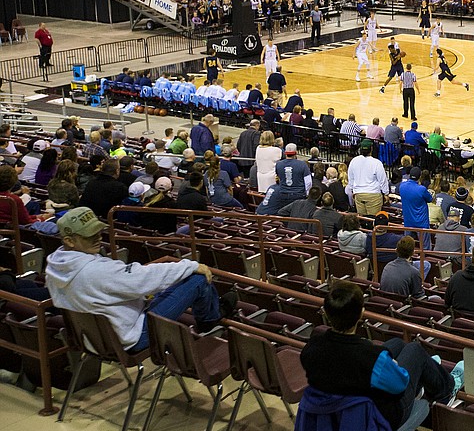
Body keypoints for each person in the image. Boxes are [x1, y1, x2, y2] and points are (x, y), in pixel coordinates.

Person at [45, 206, 231, 351]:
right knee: (197, 279)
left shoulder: (54, 268)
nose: (97, 238)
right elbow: (142, 279)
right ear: (69, 240)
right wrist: (189, 265)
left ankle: (210, 314)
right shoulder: (94, 271)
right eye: (89, 236)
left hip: (92, 339)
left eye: (97, 232)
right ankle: (209, 321)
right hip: (131, 336)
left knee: (166, 284)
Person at [300, 280, 459, 431]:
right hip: (381, 417)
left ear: (327, 314)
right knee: (415, 349)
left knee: (397, 343)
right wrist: (393, 366)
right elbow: (400, 385)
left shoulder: (311, 347)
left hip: (337, 411)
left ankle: (428, 373)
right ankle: (448, 389)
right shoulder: (371, 357)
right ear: (361, 313)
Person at [267, 143, 312, 215]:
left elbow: (278, 178)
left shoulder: (278, 164)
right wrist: (308, 195)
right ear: (296, 153)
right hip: (298, 195)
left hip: (283, 194)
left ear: (285, 153)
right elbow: (308, 182)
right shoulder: (302, 164)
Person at [348, 139, 389, 216]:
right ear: (371, 149)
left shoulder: (354, 161)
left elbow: (351, 179)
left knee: (362, 220)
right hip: (373, 195)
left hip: (359, 194)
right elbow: (382, 180)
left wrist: (352, 190)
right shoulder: (376, 163)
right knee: (373, 220)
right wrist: (386, 193)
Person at [399, 166, 433, 249]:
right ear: (420, 177)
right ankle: (426, 261)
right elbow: (430, 199)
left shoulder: (402, 186)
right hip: (421, 223)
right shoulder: (421, 189)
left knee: (406, 246)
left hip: (408, 221)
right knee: (425, 248)